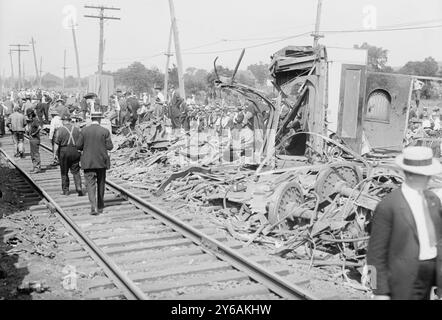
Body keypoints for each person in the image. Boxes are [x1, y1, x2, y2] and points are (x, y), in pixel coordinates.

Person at [367, 146, 442, 300]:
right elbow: (374, 256)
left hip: (429, 277)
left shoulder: (433, 200)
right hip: (402, 281)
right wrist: (378, 291)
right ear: (410, 175)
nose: (430, 178)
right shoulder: (389, 206)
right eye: (425, 175)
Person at [76, 112, 114, 215]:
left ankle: (93, 207)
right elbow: (110, 147)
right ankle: (101, 205)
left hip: (88, 162)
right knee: (101, 183)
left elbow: (78, 146)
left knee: (90, 184)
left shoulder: (84, 130)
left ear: (91, 119)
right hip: (101, 162)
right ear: (100, 119)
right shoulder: (104, 131)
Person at [54, 114, 83, 196]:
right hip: (75, 151)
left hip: (64, 151)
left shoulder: (59, 130)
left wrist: (55, 155)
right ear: (70, 120)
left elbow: (56, 144)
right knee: (76, 171)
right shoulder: (77, 130)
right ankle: (79, 187)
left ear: (63, 121)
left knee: (64, 172)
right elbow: (81, 142)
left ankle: (66, 190)